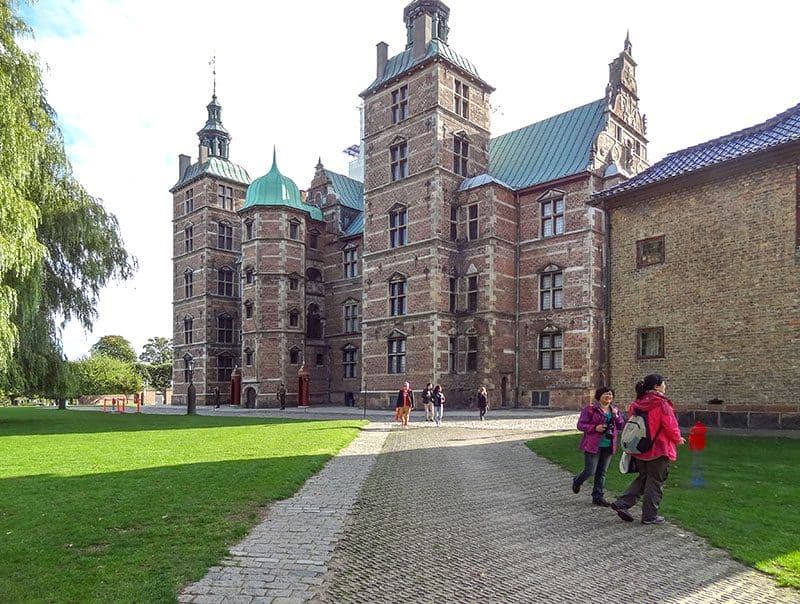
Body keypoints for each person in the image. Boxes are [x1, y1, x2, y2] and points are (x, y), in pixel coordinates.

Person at [610, 374, 685, 525]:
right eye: (664, 383)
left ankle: (622, 504)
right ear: (657, 386)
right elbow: (670, 425)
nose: (665, 386)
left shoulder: (637, 403)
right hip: (658, 448)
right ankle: (650, 516)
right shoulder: (662, 404)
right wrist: (678, 439)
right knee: (655, 481)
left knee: (645, 478)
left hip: (640, 448)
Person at [571, 387, 624, 506]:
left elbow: (621, 426)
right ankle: (577, 480)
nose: (609, 396)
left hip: (608, 445)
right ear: (599, 396)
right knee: (590, 471)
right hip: (593, 444)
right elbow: (580, 425)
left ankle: (598, 497)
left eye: (611, 395)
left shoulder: (614, 410)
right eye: (606, 394)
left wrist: (616, 416)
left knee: (602, 472)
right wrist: (595, 428)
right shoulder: (590, 409)